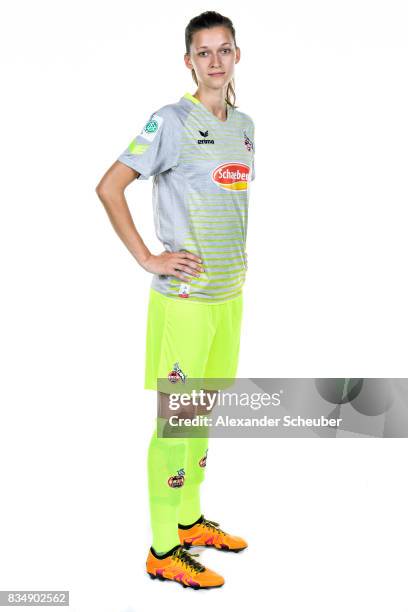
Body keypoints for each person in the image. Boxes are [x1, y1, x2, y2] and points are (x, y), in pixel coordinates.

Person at [95, 11, 255, 590]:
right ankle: (164, 548)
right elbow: (110, 186)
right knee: (175, 423)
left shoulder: (245, 126)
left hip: (227, 299)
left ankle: (189, 520)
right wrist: (147, 256)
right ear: (189, 61)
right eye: (203, 52)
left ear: (237, 55)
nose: (215, 60)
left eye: (224, 50)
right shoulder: (169, 121)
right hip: (184, 301)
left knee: (202, 416)